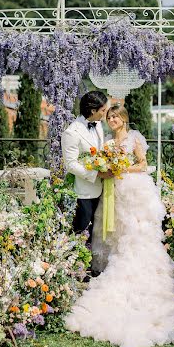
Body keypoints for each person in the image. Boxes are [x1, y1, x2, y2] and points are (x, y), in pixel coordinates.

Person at [65, 104, 174, 347]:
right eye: (108, 116)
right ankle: (114, 266)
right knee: (116, 234)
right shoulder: (107, 143)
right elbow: (102, 166)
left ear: (123, 119)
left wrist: (122, 168)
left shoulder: (134, 138)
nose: (111, 120)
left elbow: (142, 164)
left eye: (115, 117)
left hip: (134, 189)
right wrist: (108, 169)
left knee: (137, 232)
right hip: (114, 192)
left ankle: (142, 272)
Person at [61, 91, 109, 246]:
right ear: (93, 111)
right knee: (82, 232)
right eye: (102, 110)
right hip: (84, 191)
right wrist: (97, 174)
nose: (105, 114)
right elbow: (71, 164)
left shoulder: (99, 125)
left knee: (97, 231)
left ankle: (92, 264)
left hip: (102, 189)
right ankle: (76, 266)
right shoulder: (72, 132)